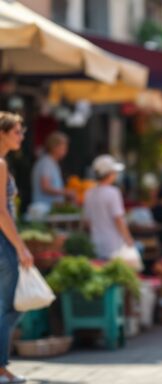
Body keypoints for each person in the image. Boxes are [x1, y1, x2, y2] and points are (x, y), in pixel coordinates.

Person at [0, 112, 33, 384]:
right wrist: (21, 248)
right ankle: (1, 369)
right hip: (3, 242)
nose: (21, 136)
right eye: (17, 132)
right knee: (8, 306)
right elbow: (1, 213)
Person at [83, 155, 134, 260]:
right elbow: (118, 219)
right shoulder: (113, 193)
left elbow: (87, 222)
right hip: (113, 246)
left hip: (95, 245)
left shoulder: (89, 193)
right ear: (109, 174)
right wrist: (128, 239)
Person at [31, 132, 73, 209]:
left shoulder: (52, 162)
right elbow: (45, 187)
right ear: (54, 147)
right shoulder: (46, 163)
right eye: (63, 148)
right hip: (44, 209)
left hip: (50, 209)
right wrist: (66, 192)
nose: (65, 151)